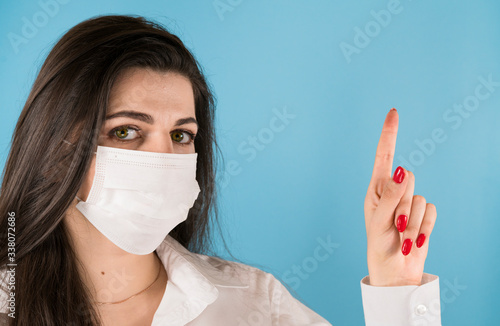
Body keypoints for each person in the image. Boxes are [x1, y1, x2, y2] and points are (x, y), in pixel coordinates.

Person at [0, 15, 441, 325]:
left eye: (181, 136)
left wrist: (397, 294)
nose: (164, 159)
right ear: (56, 148)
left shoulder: (255, 304)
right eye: (126, 132)